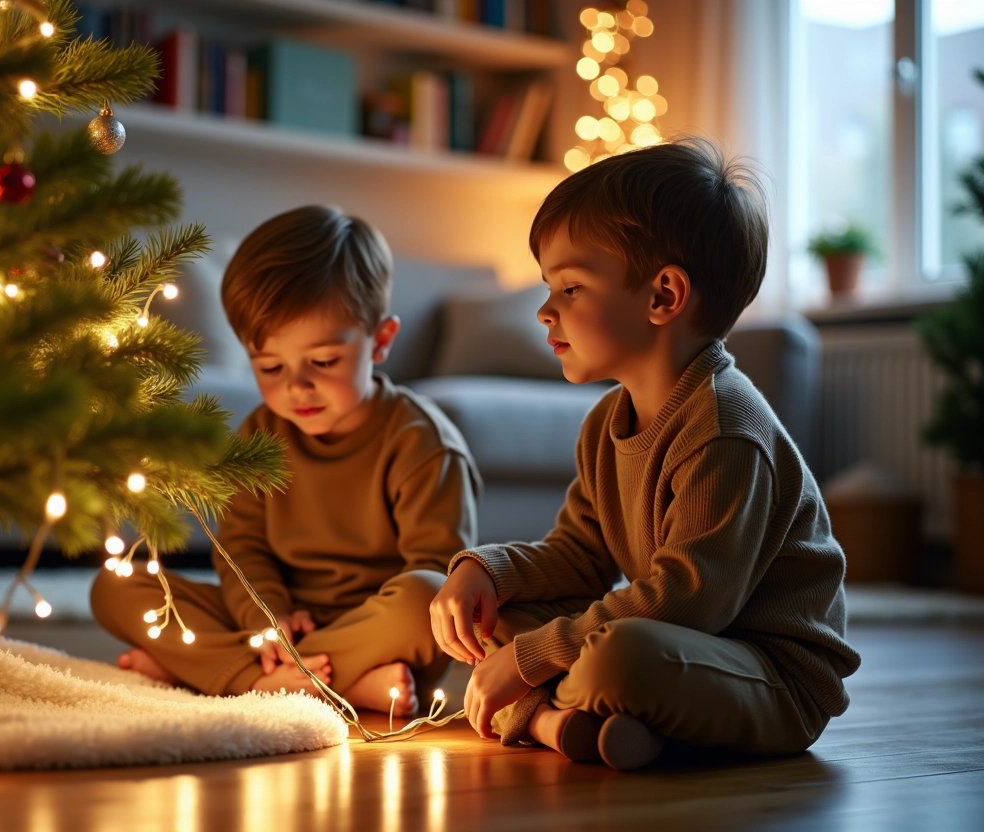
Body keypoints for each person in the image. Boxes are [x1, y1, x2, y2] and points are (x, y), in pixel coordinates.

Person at [429, 139, 861, 770]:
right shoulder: (607, 422)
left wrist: (528, 660)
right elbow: (580, 555)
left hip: (768, 676)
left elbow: (688, 600)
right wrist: (487, 573)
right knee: (496, 617)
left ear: (663, 296)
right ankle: (581, 724)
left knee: (619, 657)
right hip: (683, 647)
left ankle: (548, 715)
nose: (545, 311)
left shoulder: (726, 428)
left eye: (570, 287)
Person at [92, 205, 480, 715]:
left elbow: (438, 578)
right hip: (280, 623)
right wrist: (265, 619)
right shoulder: (260, 432)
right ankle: (318, 683)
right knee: (115, 586)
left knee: (426, 596)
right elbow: (242, 548)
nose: (297, 386)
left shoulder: (421, 442)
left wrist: (305, 643)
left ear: (380, 341)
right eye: (270, 366)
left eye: (323, 362)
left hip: (375, 632)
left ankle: (233, 677)